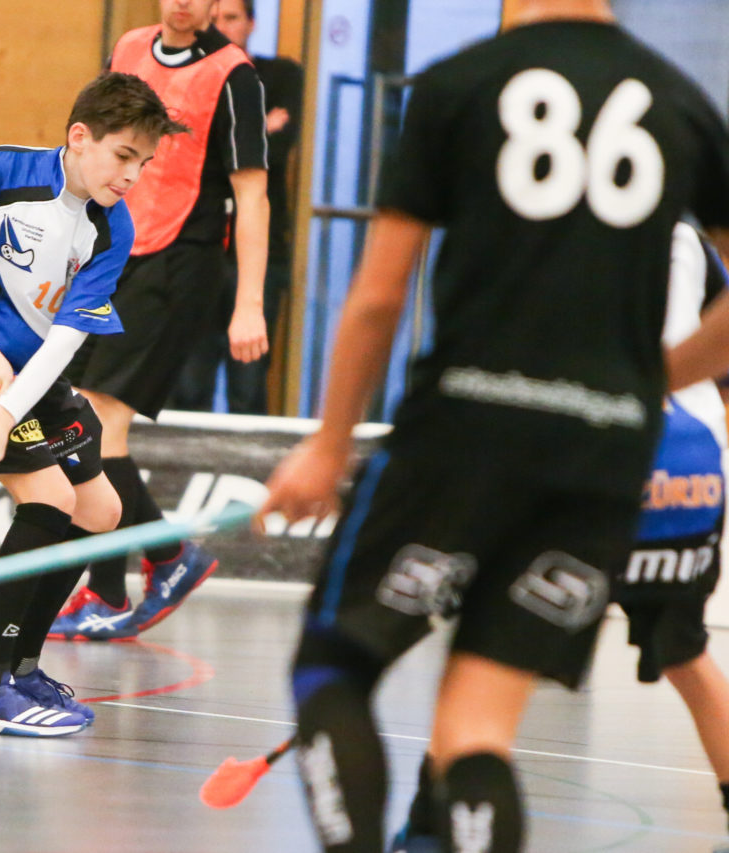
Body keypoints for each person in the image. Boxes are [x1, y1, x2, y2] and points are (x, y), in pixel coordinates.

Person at [258, 1, 729, 850]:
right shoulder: (682, 101)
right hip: (606, 449)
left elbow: (377, 295)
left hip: (464, 431)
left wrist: (328, 445)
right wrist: (650, 378)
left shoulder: (460, 85)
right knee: (478, 724)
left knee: (334, 665)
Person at [389, 224, 729, 853]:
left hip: (586, 443)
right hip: (690, 455)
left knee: (484, 662)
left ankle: (431, 829)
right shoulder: (689, 218)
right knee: (683, 652)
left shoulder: (542, 212)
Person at [0, 71, 186, 736]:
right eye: (123, 156)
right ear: (79, 137)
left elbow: (66, 339)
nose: (133, 175)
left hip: (29, 369)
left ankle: (23, 666)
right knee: (50, 499)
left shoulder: (113, 230)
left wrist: (8, 410)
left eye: (144, 163)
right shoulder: (3, 174)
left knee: (101, 507)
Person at [51, 0, 270, 641]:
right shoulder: (128, 49)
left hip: (181, 263)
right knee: (78, 415)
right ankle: (150, 569)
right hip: (114, 254)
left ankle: (131, 579)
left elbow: (252, 196)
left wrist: (249, 301)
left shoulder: (235, 75)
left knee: (100, 420)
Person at [173, 0, 303, 414]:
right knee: (189, 385)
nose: (221, 28)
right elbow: (181, 151)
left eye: (231, 18)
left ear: (251, 24)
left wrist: (216, 134)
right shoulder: (188, 76)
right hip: (195, 245)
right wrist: (254, 127)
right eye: (214, 20)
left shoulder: (281, 75)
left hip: (261, 251)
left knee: (247, 387)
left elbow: (274, 152)